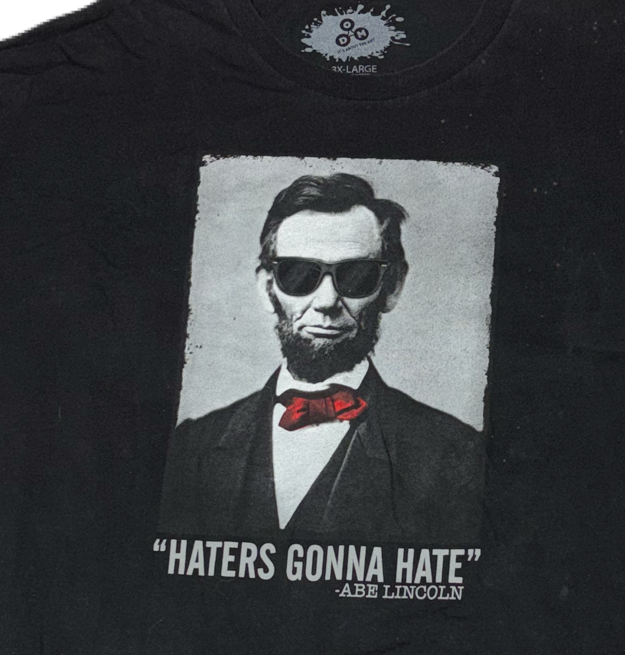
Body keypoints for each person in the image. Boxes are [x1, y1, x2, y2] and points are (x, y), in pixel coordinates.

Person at [159, 172, 485, 542]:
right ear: (267, 288)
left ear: (392, 286)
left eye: (356, 275)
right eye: (299, 274)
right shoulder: (191, 448)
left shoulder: (455, 455)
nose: (327, 302)